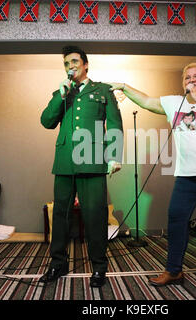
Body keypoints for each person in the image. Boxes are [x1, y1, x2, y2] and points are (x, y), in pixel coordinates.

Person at [109, 62, 196, 289]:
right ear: (182, 82)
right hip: (188, 173)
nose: (191, 80)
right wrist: (124, 86)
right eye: (187, 77)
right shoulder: (173, 103)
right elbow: (147, 101)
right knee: (177, 217)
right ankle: (174, 271)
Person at [40, 46, 123, 287]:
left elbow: (115, 124)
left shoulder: (103, 90)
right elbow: (46, 121)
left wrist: (113, 155)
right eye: (66, 64)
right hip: (65, 162)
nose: (71, 67)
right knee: (61, 216)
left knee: (95, 216)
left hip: (93, 160)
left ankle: (99, 268)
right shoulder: (61, 92)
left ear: (86, 65)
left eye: (74, 62)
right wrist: (60, 95)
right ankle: (58, 263)